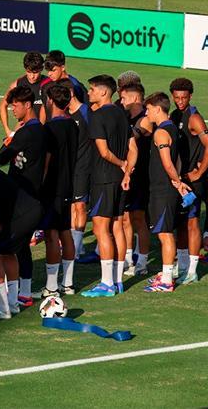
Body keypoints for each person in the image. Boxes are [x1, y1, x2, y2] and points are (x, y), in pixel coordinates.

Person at [81, 75, 138, 298]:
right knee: (118, 226)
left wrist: (121, 164)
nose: (89, 93)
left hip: (103, 179)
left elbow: (104, 153)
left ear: (104, 92)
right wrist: (126, 171)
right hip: (118, 180)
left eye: (92, 89)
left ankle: (106, 283)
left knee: (101, 229)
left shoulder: (97, 116)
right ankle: (117, 280)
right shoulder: (121, 114)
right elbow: (133, 147)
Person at [0, 85, 44, 307]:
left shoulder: (26, 132)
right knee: (21, 243)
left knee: (13, 243)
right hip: (32, 190)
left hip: (19, 194)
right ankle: (20, 289)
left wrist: (8, 141)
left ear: (27, 105)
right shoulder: (40, 130)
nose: (12, 108)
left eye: (15, 105)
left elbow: (2, 157)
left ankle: (16, 291)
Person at [170, 77, 208, 284]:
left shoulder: (194, 118)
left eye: (184, 97)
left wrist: (199, 173)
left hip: (193, 181)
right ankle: (182, 267)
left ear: (190, 96)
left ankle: (192, 271)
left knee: (192, 223)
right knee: (180, 224)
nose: (180, 101)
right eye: (177, 97)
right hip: (180, 180)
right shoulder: (174, 115)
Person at [143, 92, 192, 293]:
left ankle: (166, 280)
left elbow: (168, 163)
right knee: (165, 232)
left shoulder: (161, 133)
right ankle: (166, 275)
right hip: (165, 188)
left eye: (148, 109)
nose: (147, 113)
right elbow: (178, 160)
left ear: (157, 109)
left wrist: (177, 182)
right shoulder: (172, 129)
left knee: (165, 234)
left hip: (162, 189)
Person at [0, 165, 43, 320]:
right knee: (8, 252)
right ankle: (12, 304)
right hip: (29, 211)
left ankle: (3, 308)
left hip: (21, 216)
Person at [39, 83, 78, 296]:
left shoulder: (50, 129)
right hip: (68, 185)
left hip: (52, 187)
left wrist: (39, 185)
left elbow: (46, 161)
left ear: (51, 101)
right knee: (65, 233)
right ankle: (68, 284)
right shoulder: (73, 125)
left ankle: (52, 286)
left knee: (51, 235)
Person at [119, 78, 153, 277]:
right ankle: (126, 258)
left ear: (134, 98)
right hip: (128, 175)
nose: (121, 102)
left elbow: (133, 136)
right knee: (124, 218)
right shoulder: (126, 116)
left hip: (141, 176)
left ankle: (142, 261)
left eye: (123, 98)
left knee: (139, 218)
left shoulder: (145, 118)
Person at [64, 77, 97, 265]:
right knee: (71, 205)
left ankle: (76, 247)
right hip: (71, 166)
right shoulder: (67, 114)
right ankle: (75, 244)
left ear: (70, 93)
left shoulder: (85, 112)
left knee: (80, 206)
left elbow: (96, 139)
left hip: (84, 166)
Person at [0, 52, 45, 133]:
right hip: (24, 131)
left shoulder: (48, 84)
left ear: (41, 68)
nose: (32, 76)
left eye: (35, 72)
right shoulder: (17, 84)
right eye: (29, 72)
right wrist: (7, 129)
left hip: (44, 131)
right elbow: (3, 105)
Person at [39, 50, 86, 122]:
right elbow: (44, 107)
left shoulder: (75, 86)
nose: (49, 74)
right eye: (48, 70)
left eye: (53, 70)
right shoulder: (45, 85)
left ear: (63, 67)